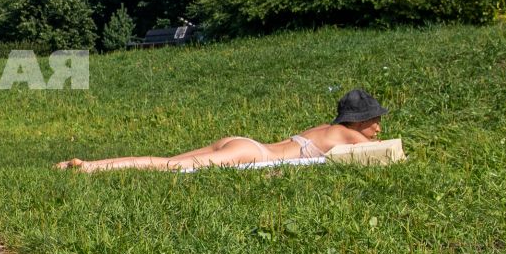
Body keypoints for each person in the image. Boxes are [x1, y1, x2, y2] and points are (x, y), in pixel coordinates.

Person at [57, 88, 389, 173]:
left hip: (245, 143)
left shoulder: (327, 128)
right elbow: (390, 153)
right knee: (168, 166)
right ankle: (89, 168)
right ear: (358, 121)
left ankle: (91, 165)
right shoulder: (349, 135)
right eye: (374, 120)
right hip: (251, 153)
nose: (378, 127)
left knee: (166, 160)